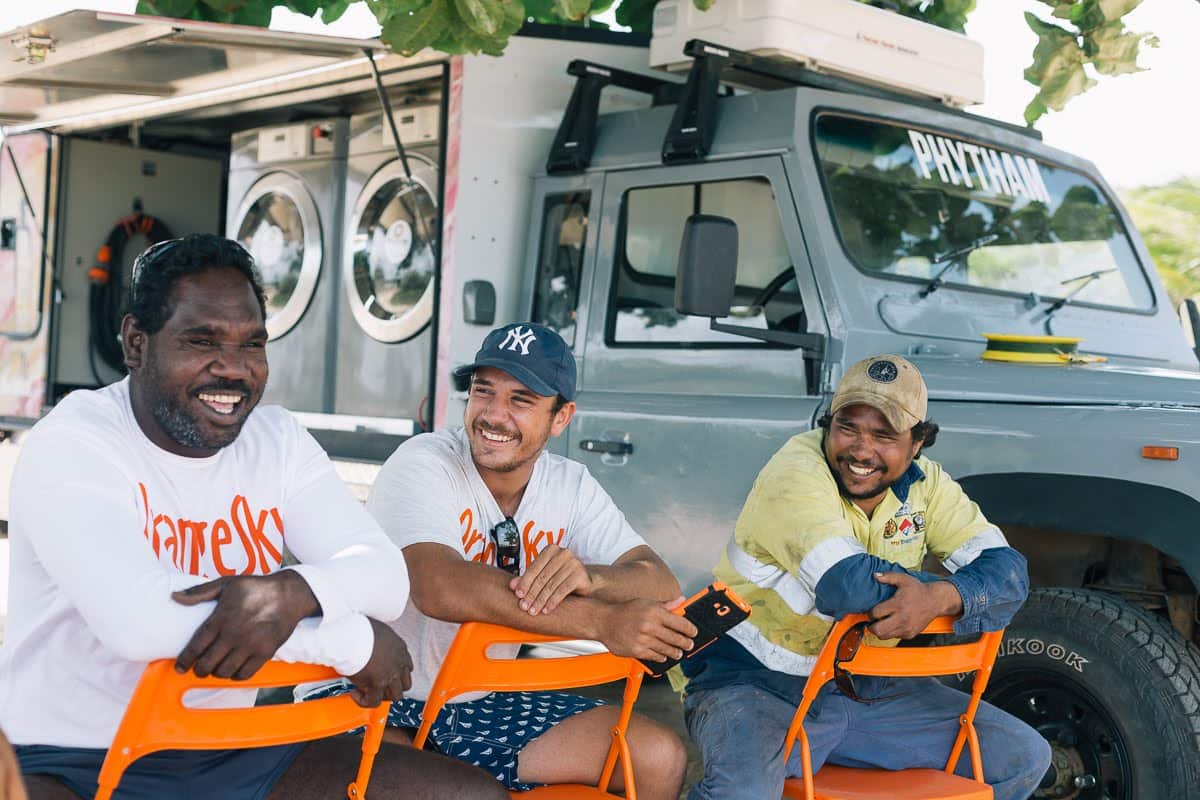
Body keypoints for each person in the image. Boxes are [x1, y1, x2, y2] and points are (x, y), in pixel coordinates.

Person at [0, 235, 506, 800]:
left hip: (231, 747)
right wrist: (349, 641)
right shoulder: (75, 440)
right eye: (202, 341)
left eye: (252, 344)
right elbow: (140, 623)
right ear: (136, 343)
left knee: (470, 796)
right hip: (72, 755)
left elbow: (385, 577)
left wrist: (291, 591)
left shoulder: (277, 438)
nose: (233, 369)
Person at [303, 322, 695, 800]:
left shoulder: (569, 484)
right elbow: (438, 585)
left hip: (480, 698)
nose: (494, 415)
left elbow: (657, 577)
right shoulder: (424, 461)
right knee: (433, 788)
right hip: (374, 687)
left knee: (657, 757)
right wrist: (603, 621)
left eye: (521, 400)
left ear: (561, 417)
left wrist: (590, 577)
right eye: (482, 391)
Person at [680, 354, 1052, 800]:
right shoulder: (795, 470)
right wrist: (953, 593)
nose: (860, 449)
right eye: (848, 427)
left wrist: (939, 598)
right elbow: (846, 585)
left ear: (918, 442)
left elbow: (1009, 575)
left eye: (884, 435)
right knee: (741, 793)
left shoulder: (928, 485)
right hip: (752, 683)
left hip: (865, 687)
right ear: (827, 425)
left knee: (1022, 757)